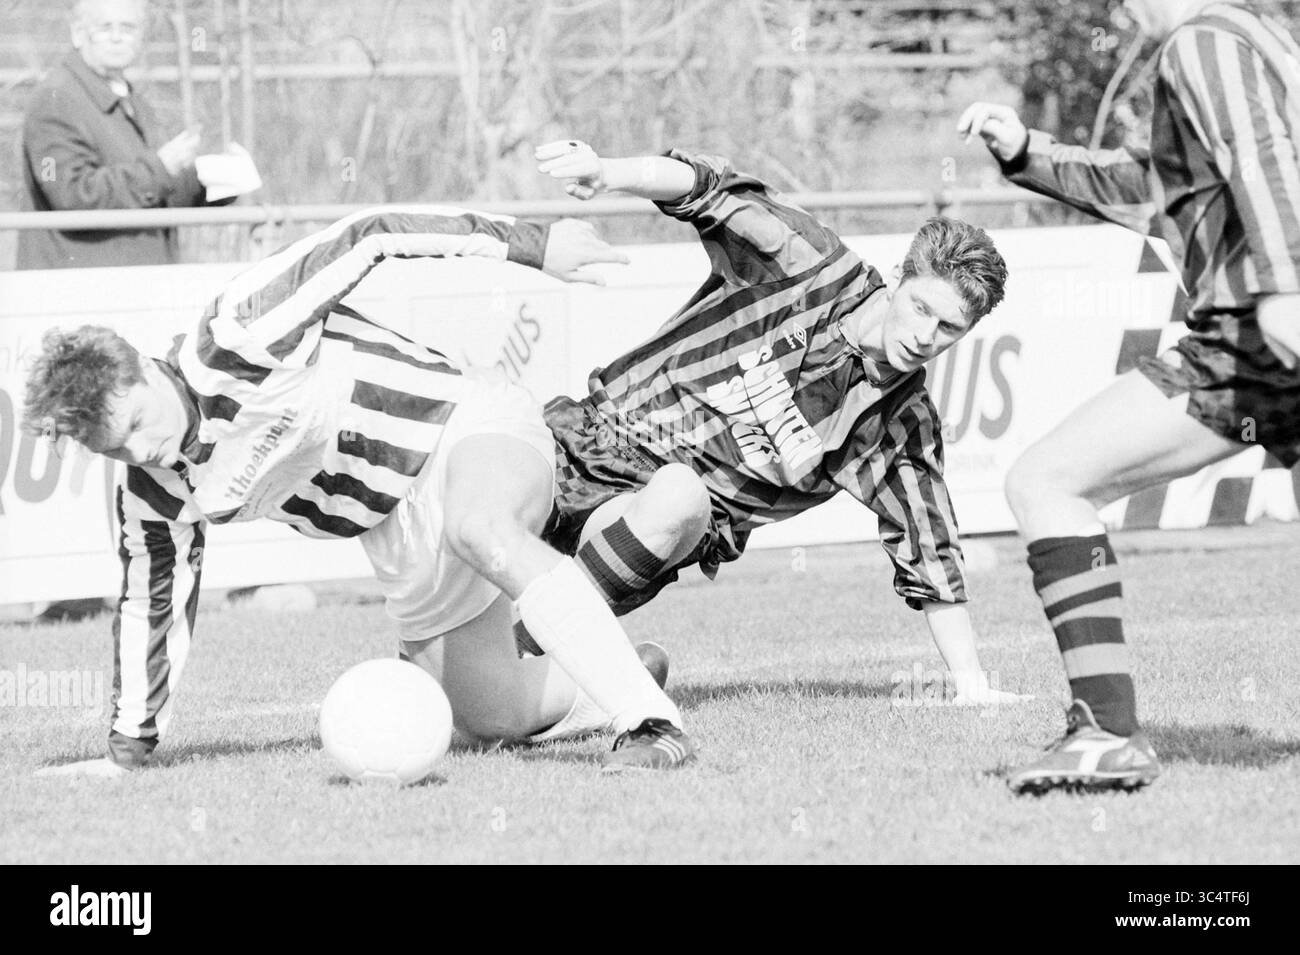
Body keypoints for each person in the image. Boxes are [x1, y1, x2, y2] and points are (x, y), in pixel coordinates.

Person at [22, 206, 695, 777]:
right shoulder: (152, 493)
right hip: (396, 534)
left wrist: (533, 243)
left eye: (136, 423)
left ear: (142, 367)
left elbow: (369, 234)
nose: (139, 450)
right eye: (114, 448)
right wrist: (128, 751)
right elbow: (153, 605)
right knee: (495, 717)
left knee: (480, 526)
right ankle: (622, 668)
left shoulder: (241, 333)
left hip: (465, 423)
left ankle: (650, 724)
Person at [530, 140, 1025, 706]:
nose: (924, 336)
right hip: (595, 431)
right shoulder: (808, 264)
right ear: (898, 277)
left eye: (948, 329)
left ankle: (531, 652)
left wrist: (971, 685)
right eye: (921, 309)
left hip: (666, 515)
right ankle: (577, 675)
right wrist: (608, 171)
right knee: (458, 545)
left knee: (677, 498)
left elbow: (931, 545)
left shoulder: (899, 425)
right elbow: (711, 187)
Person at [957, 0, 1300, 793]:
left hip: (1257, 335)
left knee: (1046, 480)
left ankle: (1107, 733)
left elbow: (1264, 162)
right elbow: (1153, 186)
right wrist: (1028, 152)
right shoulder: (1259, 38)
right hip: (1261, 336)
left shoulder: (1202, 40)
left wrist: (1285, 293)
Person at [17, 0, 224, 269]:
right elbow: (71, 194)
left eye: (128, 28)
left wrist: (210, 183)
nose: (117, 38)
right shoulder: (56, 98)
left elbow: (151, 193)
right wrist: (159, 169)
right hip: (80, 288)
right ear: (78, 34)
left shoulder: (132, 100)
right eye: (105, 28)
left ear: (141, 37)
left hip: (131, 282)